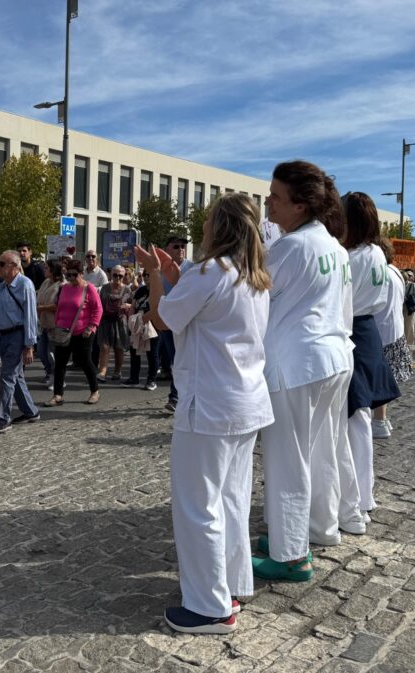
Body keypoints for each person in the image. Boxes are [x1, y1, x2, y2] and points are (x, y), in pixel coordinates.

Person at [135, 192, 274, 634]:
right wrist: (176, 275)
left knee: (198, 505)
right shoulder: (253, 276)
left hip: (209, 402)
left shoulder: (212, 271)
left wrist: (156, 273)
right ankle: (230, 585)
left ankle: (208, 606)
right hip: (245, 399)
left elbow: (161, 318)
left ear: (219, 227)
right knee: (231, 500)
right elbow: (200, 307)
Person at [253, 162, 356, 585]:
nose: (269, 203)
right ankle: (318, 527)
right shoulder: (333, 246)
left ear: (300, 204)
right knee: (323, 449)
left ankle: (291, 553)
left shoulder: (290, 248)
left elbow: (254, 299)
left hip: (295, 363)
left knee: (287, 459)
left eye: (276, 196)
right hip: (332, 356)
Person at [341, 192, 401, 524]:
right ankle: (364, 493)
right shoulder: (377, 252)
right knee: (359, 418)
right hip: (366, 332)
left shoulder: (351, 257)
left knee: (354, 420)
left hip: (351, 329)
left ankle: (358, 496)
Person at [0, 250, 40, 434]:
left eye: (2, 264)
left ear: (13, 266)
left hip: (18, 334)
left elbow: (31, 317)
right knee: (16, 376)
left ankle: (3, 418)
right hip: (4, 334)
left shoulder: (25, 285)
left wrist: (29, 345)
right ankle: (30, 411)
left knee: (8, 376)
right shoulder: (3, 286)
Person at [45, 259, 103, 407]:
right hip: (63, 331)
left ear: (81, 274)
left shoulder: (88, 288)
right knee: (60, 363)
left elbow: (98, 309)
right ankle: (58, 395)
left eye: (74, 274)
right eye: (68, 274)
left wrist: (92, 327)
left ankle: (94, 391)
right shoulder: (64, 288)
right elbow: (60, 308)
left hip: (82, 331)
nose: (71, 277)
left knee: (85, 361)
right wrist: (56, 324)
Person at [371, 243, 412, 439]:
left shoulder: (381, 273)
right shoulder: (396, 271)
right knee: (384, 379)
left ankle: (379, 421)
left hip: (381, 331)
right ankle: (382, 420)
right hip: (394, 330)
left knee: (379, 380)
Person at [158, 235, 193, 413]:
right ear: (167, 249)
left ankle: (176, 397)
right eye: (176, 246)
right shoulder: (162, 269)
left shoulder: (192, 268)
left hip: (183, 321)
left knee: (179, 360)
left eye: (183, 246)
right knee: (172, 359)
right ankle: (178, 395)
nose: (181, 249)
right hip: (165, 321)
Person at [96, 265, 133, 381]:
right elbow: (99, 305)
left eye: (120, 275)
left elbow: (133, 306)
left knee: (119, 348)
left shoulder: (127, 289)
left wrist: (128, 306)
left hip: (120, 321)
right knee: (104, 347)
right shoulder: (105, 288)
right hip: (105, 320)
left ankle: (117, 371)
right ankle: (102, 372)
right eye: (115, 275)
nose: (117, 278)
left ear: (124, 276)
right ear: (111, 275)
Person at [125, 271, 161, 390]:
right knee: (134, 351)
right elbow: (133, 306)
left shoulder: (159, 290)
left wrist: (146, 318)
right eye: (144, 275)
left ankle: (151, 380)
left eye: (148, 274)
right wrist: (131, 321)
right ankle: (134, 378)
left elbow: (159, 308)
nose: (146, 277)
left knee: (152, 353)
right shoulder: (141, 290)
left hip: (154, 325)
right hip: (138, 323)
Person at [35, 260, 64, 388]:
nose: (44, 270)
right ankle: (50, 373)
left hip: (55, 324)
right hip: (44, 323)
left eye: (47, 268)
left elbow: (59, 306)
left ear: (53, 270)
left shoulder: (62, 285)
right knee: (41, 352)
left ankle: (59, 379)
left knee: (52, 354)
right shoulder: (46, 282)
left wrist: (42, 308)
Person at [402, 271, 415, 346]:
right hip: (401, 307)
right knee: (402, 325)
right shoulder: (399, 284)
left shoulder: (412, 285)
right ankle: (403, 342)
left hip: (410, 307)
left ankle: (409, 343)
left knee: (410, 325)